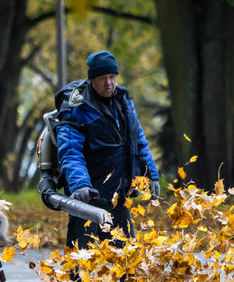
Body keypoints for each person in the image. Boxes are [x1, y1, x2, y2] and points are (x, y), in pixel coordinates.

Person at [54, 50, 160, 252]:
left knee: (129, 259)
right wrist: (80, 185)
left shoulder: (124, 101)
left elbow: (138, 143)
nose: (109, 83)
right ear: (92, 79)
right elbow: (70, 150)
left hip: (119, 193)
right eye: (102, 78)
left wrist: (151, 175)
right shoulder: (76, 106)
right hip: (88, 196)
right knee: (80, 259)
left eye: (112, 77)